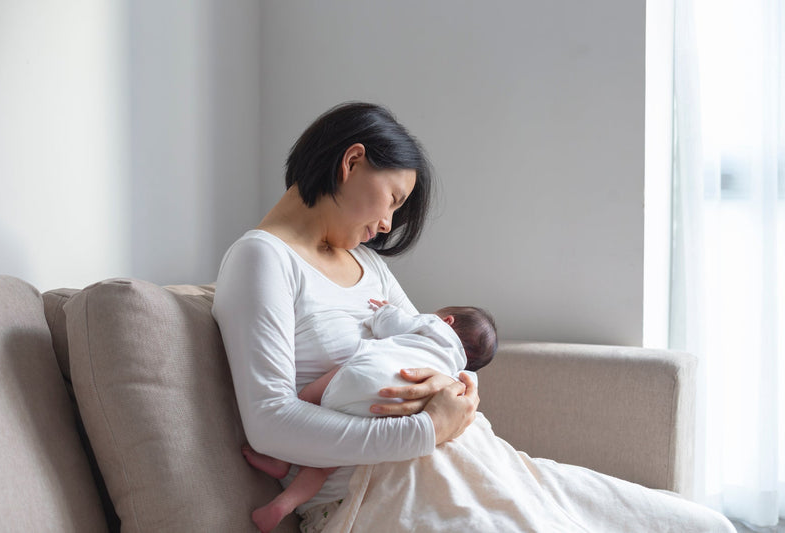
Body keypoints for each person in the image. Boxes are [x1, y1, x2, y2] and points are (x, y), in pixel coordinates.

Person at [212, 102, 734, 532]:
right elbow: (271, 423)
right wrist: (426, 430)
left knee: (700, 525)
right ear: (351, 162)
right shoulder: (263, 259)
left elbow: (430, 347)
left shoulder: (367, 264)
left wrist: (461, 392)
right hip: (380, 489)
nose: (388, 223)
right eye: (392, 199)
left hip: (478, 457)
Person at [241, 298, 498, 532]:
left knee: (307, 399)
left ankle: (280, 460)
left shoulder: (434, 325)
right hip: (397, 403)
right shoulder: (456, 371)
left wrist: (384, 311)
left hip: (365, 374)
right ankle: (282, 506)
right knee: (325, 463)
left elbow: (391, 324)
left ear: (447, 320)